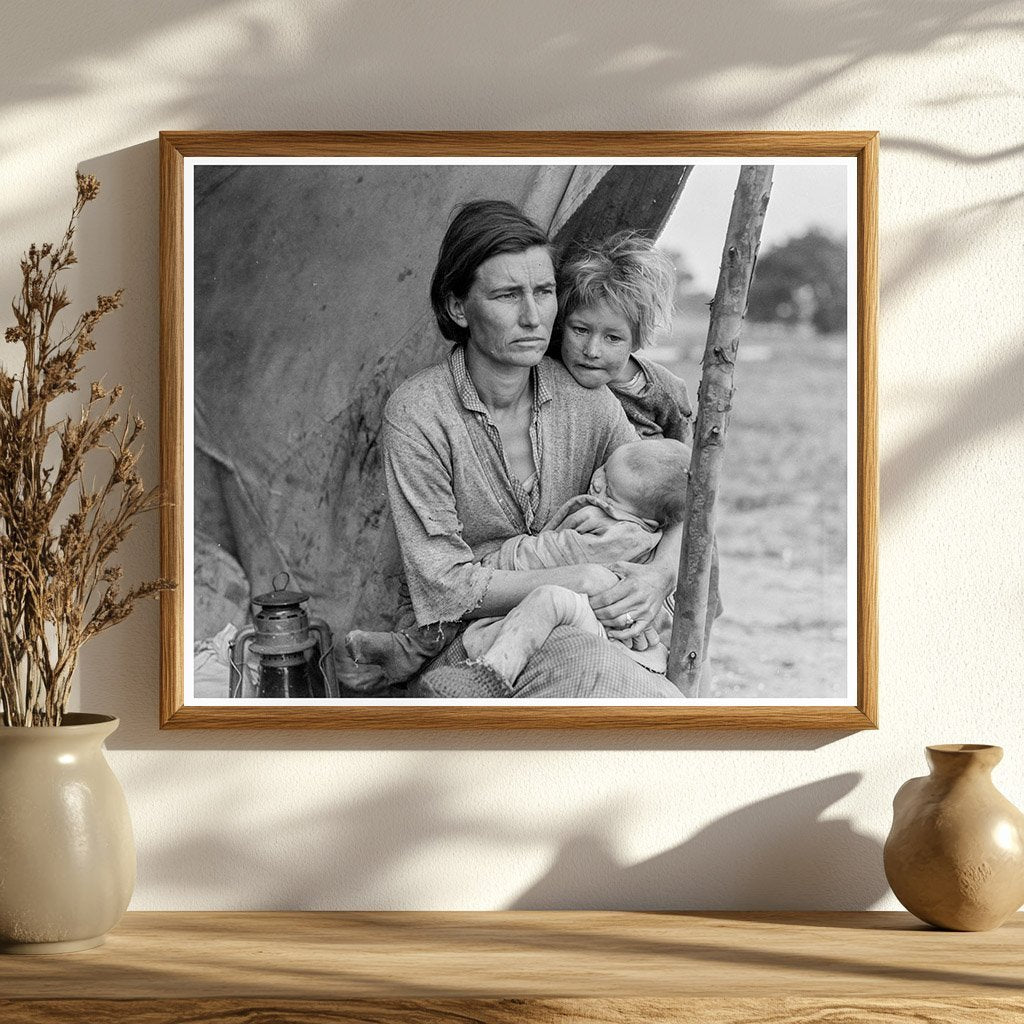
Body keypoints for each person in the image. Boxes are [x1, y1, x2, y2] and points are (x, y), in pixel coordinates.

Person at [377, 200, 682, 699]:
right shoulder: (419, 413)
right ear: (459, 307)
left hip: (583, 626)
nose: (532, 317)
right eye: (506, 295)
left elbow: (680, 509)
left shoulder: (587, 400)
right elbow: (445, 586)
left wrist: (656, 578)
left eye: (544, 292)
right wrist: (582, 576)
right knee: (590, 670)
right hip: (466, 646)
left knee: (626, 681)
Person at [347, 437, 690, 684]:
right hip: (597, 619)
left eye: (608, 491)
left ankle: (483, 677)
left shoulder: (620, 535)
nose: (595, 482)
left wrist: (499, 561)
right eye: (600, 472)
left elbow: (551, 556)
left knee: (542, 603)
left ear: (650, 520)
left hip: (606, 631)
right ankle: (407, 652)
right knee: (492, 611)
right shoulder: (626, 512)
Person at [552, 230, 722, 660]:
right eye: (580, 329)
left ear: (638, 339)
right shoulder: (549, 375)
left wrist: (664, 571)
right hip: (594, 525)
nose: (591, 350)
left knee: (687, 629)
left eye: (612, 338)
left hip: (655, 530)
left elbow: (690, 491)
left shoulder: (664, 392)